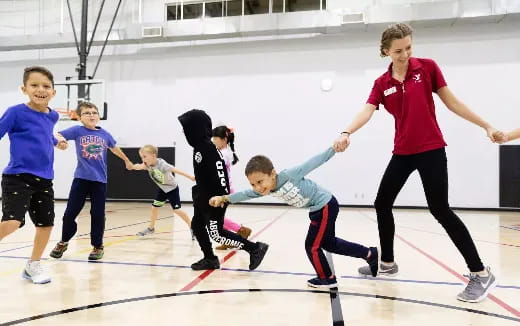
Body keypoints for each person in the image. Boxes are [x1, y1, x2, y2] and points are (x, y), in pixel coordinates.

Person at [333, 23, 498, 302]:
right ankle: (387, 263)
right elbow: (367, 110)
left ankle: (480, 273)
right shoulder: (382, 84)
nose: (405, 54)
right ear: (385, 51)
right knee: (382, 203)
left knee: (440, 209)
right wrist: (347, 131)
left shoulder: (427, 68)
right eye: (398, 50)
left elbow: (452, 103)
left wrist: (486, 125)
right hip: (403, 151)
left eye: (409, 47)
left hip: (431, 148)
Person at [209, 148, 380, 288]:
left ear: (273, 174)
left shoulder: (289, 175)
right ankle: (369, 254)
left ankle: (327, 278)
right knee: (329, 243)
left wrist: (334, 148)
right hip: (319, 209)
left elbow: (313, 162)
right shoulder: (266, 188)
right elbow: (245, 194)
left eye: (260, 182)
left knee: (312, 246)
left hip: (325, 205)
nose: (258, 188)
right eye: (254, 184)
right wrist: (224, 198)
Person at [0, 66, 67, 284]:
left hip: (45, 179)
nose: (41, 90)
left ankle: (33, 266)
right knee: (12, 222)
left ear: (53, 92)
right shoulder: (15, 112)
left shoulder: (53, 115)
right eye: (34, 85)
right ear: (24, 88)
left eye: (46, 86)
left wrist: (57, 142)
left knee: (45, 225)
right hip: (18, 176)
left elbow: (45, 134)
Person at [178, 109, 268, 271]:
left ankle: (254, 248)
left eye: (187, 128)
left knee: (216, 233)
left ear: (196, 129)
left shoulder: (207, 148)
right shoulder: (200, 148)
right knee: (197, 225)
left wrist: (222, 197)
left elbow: (221, 175)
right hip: (203, 197)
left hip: (214, 200)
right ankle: (210, 258)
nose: (184, 132)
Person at [49, 101, 133, 261]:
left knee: (98, 214)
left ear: (99, 116)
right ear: (80, 117)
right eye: (87, 113)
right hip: (81, 179)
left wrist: (127, 161)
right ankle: (63, 241)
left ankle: (97, 246)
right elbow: (58, 134)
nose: (92, 115)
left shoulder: (105, 134)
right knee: (69, 214)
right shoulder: (77, 130)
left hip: (99, 181)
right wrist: (60, 141)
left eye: (94, 112)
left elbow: (115, 148)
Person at [131, 144, 195, 239]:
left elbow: (176, 170)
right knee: (154, 208)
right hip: (163, 190)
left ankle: (193, 228)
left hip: (172, 189)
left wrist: (190, 177)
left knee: (177, 210)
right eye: (141, 157)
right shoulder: (147, 165)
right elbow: (138, 166)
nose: (143, 159)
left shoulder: (162, 165)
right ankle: (151, 228)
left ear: (153, 156)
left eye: (144, 157)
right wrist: (132, 166)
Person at [211, 125, 252, 250]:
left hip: (223, 190)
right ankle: (231, 237)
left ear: (224, 139)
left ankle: (241, 230)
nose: (213, 141)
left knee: (216, 218)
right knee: (217, 217)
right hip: (223, 189)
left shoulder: (223, 154)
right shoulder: (224, 152)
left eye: (215, 138)